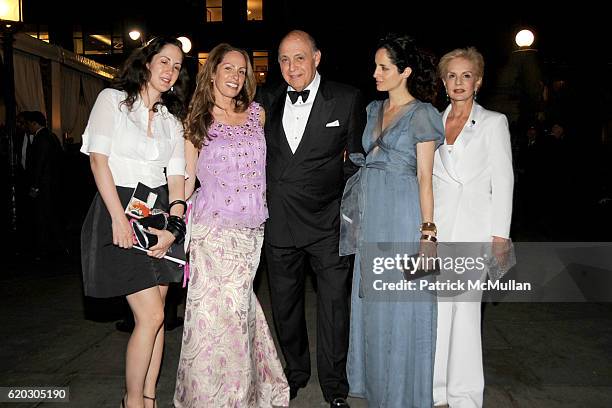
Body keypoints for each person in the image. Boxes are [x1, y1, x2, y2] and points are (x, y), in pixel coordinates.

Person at [173, 43, 289, 407]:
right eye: (229, 69)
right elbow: (186, 179)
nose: (237, 77)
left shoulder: (257, 114)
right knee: (217, 316)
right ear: (213, 72)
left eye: (243, 71)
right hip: (214, 232)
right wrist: (174, 221)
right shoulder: (198, 119)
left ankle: (250, 389)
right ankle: (221, 398)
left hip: (252, 230)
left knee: (238, 310)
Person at [257, 30, 365, 408]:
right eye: (284, 59)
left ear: (317, 57)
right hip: (279, 223)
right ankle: (295, 372)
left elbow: (357, 158)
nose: (291, 67)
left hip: (327, 225)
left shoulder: (347, 98)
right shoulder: (264, 99)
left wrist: (335, 190)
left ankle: (335, 387)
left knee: (335, 309)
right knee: (284, 307)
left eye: (299, 58)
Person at [80, 37, 189, 408]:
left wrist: (174, 227)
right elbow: (98, 161)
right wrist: (117, 218)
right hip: (119, 209)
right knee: (152, 314)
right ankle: (132, 402)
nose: (170, 70)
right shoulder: (112, 101)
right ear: (146, 62)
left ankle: (149, 397)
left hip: (157, 216)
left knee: (157, 320)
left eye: (176, 66)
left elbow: (177, 179)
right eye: (164, 61)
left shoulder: (172, 121)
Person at [342, 33, 444, 407]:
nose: (375, 73)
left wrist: (428, 235)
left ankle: (403, 393)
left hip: (403, 215)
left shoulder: (424, 114)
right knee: (373, 303)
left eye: (384, 67)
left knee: (402, 303)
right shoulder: (371, 110)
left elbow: (424, 178)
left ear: (405, 72)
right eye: (375, 66)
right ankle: (377, 388)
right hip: (372, 215)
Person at [432, 47, 514, 408]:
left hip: (474, 232)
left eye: (466, 75)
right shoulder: (433, 121)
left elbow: (505, 180)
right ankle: (435, 392)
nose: (459, 82)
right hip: (437, 233)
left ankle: (464, 396)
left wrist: (500, 236)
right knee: (437, 314)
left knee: (465, 316)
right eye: (452, 75)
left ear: (478, 81)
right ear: (443, 82)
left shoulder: (494, 122)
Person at [23, 110, 65, 261]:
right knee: (51, 217)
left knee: (42, 218)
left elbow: (39, 164)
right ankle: (53, 248)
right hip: (53, 186)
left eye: (28, 124)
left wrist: (35, 186)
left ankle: (44, 250)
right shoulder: (52, 136)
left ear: (34, 123)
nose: (27, 127)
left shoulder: (41, 139)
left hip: (44, 187)